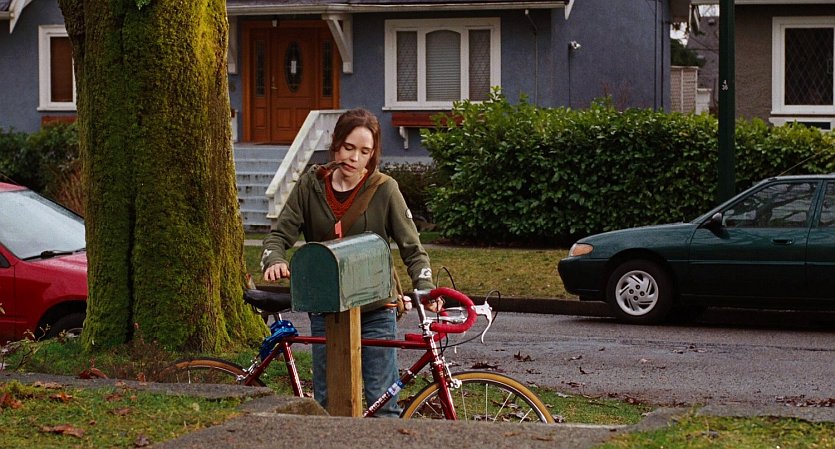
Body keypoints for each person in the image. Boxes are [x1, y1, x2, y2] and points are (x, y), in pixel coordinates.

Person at [260, 108, 435, 417]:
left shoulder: (385, 189)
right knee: (328, 402)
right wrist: (274, 259)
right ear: (336, 144)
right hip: (326, 308)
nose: (355, 158)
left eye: (365, 152)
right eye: (349, 147)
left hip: (376, 309)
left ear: (373, 154)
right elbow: (278, 236)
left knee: (383, 403)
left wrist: (425, 287)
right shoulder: (311, 186)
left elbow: (413, 249)